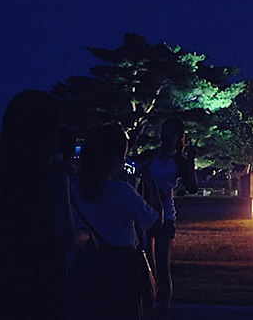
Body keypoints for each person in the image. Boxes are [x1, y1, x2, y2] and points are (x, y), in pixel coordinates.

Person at [0, 90, 82, 320]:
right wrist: (86, 235)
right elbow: (65, 237)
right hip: (46, 281)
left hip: (8, 275)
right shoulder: (53, 178)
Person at [69, 125, 160, 320]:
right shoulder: (121, 191)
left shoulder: (73, 186)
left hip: (86, 267)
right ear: (117, 159)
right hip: (121, 271)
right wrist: (151, 184)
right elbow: (153, 222)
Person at [140, 118, 199, 317]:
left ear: (178, 138)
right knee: (146, 261)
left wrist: (190, 162)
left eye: (171, 133)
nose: (166, 136)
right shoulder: (149, 157)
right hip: (144, 212)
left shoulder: (178, 161)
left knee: (162, 266)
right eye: (164, 131)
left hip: (166, 216)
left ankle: (163, 307)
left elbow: (192, 187)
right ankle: (148, 303)